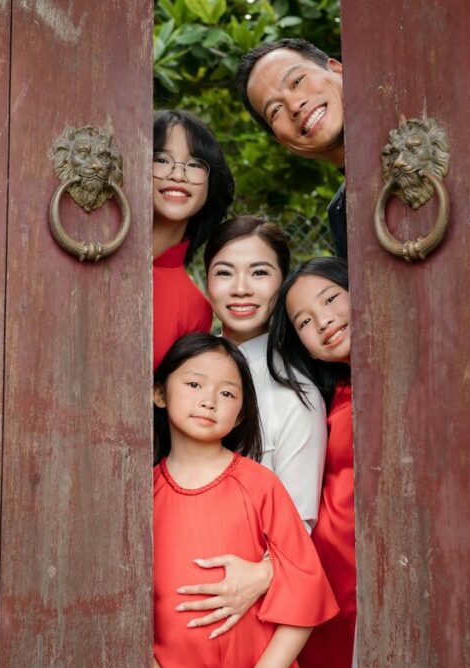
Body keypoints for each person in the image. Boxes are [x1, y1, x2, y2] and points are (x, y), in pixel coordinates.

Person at [152, 333, 338, 668]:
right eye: (194, 383)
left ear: (240, 415)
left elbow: (306, 595)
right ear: (159, 393)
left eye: (227, 393)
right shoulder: (140, 495)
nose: (209, 400)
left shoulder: (261, 485)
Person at [203, 216, 326, 529]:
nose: (241, 289)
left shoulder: (298, 395)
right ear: (207, 281)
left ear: (283, 282)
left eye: (259, 272)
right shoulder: (185, 369)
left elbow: (298, 528)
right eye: (224, 273)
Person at [268, 257, 355, 668]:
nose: (323, 321)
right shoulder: (325, 398)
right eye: (304, 322)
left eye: (332, 299)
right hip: (329, 578)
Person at [234, 39, 348, 259]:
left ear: (337, 70)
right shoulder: (341, 215)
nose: (294, 106)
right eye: (275, 110)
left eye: (297, 81)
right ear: (281, 141)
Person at [152, 110, 235, 369]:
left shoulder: (195, 307)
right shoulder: (90, 254)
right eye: (161, 159)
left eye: (195, 164)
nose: (178, 175)